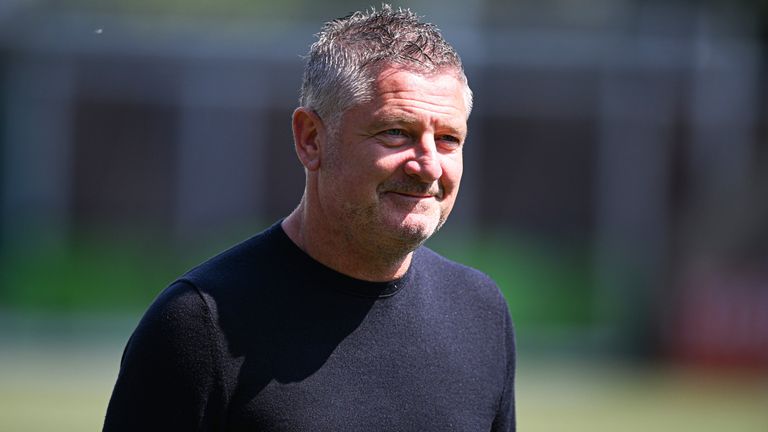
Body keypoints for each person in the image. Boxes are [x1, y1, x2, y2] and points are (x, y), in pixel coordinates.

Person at [103, 5, 515, 431]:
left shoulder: (481, 314)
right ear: (311, 139)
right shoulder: (199, 326)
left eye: (448, 139)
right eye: (396, 132)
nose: (428, 166)